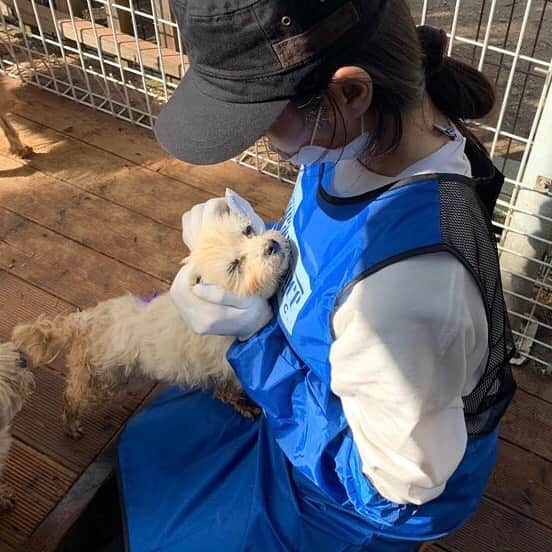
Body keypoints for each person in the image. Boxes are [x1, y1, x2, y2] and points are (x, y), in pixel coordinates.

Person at [116, 1, 516, 550]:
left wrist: (256, 342)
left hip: (359, 500)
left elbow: (392, 489)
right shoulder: (365, 138)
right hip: (312, 396)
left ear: (350, 92)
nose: (261, 143)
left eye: (262, 120)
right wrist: (256, 236)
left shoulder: (406, 294)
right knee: (151, 444)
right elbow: (329, 240)